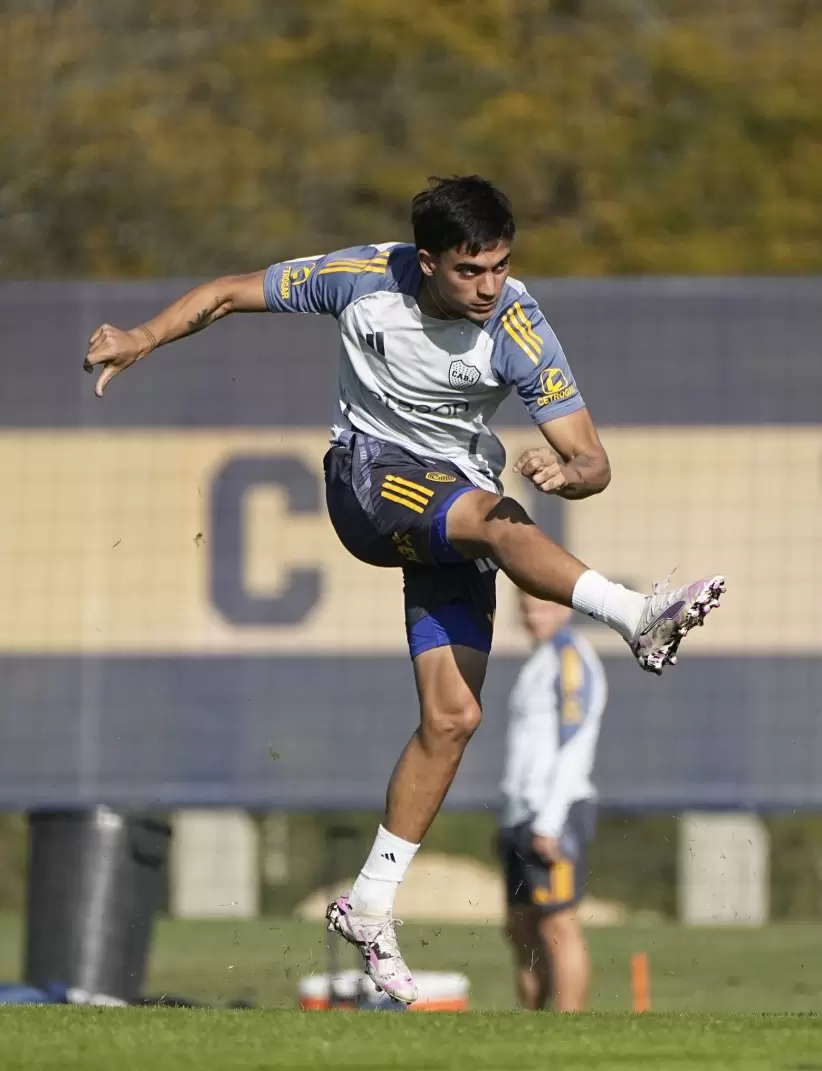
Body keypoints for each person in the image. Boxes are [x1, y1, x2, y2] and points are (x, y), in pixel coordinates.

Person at [83, 175, 724, 1004]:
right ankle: (639, 616)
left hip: (450, 504)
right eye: (471, 271)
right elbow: (226, 293)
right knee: (501, 522)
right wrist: (141, 335)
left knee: (454, 719)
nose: (490, 286)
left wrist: (568, 476)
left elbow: (592, 458)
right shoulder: (362, 280)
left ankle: (371, 901)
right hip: (369, 480)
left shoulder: (520, 326)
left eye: (500, 266)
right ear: (427, 263)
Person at [499, 592, 606, 1011]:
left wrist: (550, 820)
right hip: (519, 813)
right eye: (526, 608)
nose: (533, 616)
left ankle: (569, 1029)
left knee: (558, 924)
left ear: (564, 607)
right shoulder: (538, 662)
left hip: (553, 813)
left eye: (542, 606)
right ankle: (532, 1024)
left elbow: (576, 743)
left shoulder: (571, 660)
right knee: (520, 926)